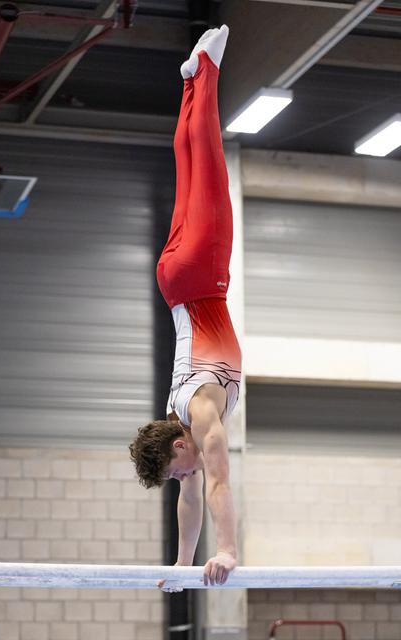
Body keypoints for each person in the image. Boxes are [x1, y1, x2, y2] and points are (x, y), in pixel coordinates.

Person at [129, 25, 241, 590]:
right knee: (189, 170)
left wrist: (224, 551)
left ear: (179, 445)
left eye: (178, 468)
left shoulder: (202, 419)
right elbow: (192, 501)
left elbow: (217, 484)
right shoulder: (180, 420)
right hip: (172, 281)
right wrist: (181, 566)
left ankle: (207, 71)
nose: (186, 476)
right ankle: (189, 82)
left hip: (201, 277)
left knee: (211, 164)